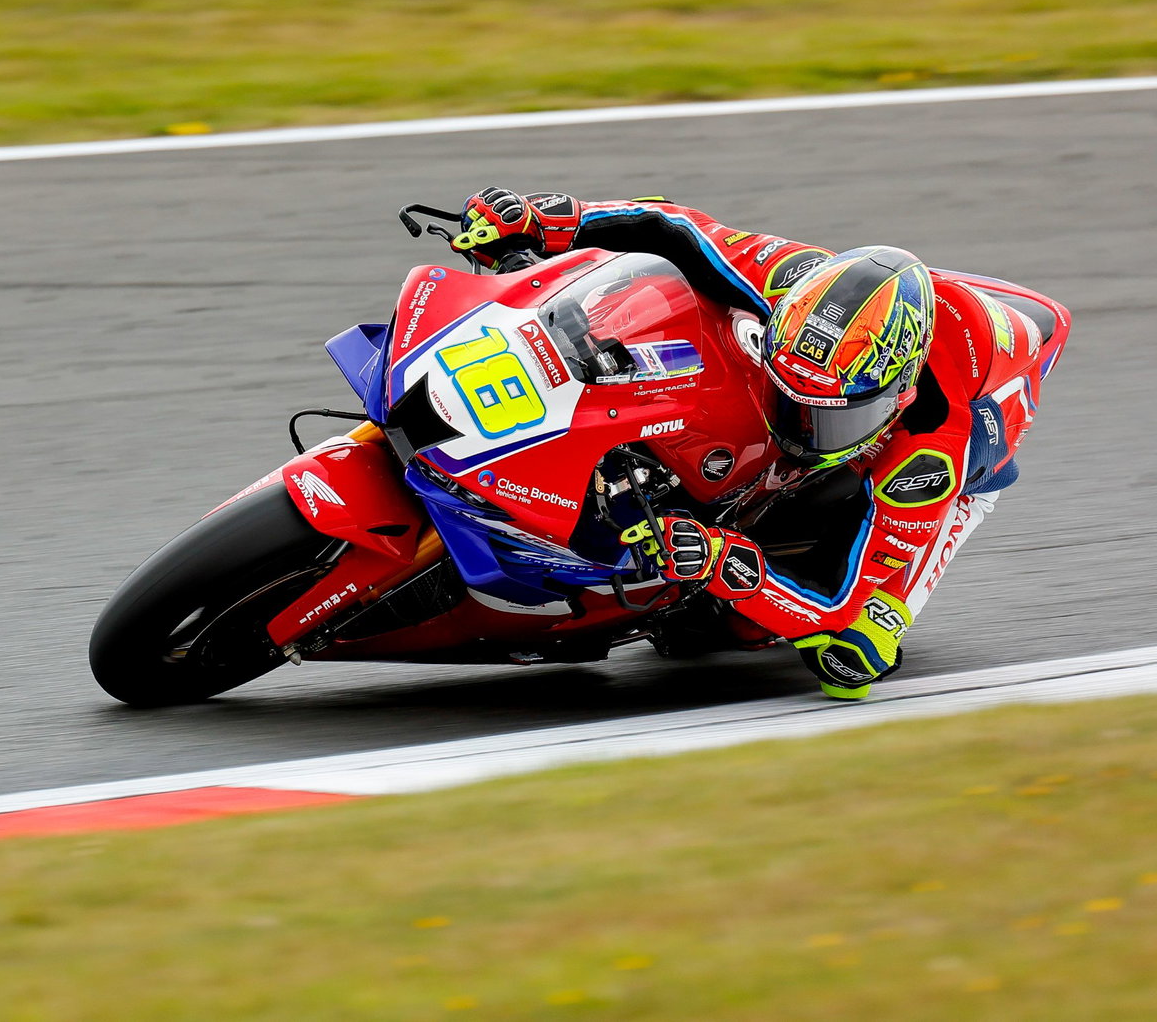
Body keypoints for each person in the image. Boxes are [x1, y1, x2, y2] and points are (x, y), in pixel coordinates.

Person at [457, 187, 1072, 699]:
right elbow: (675, 228)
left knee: (851, 651)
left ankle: (783, 600)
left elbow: (838, 604)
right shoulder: (791, 278)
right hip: (878, 326)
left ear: (896, 397)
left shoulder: (934, 448)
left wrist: (719, 560)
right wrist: (554, 221)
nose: (801, 429)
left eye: (825, 419)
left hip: (982, 419)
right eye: (792, 401)